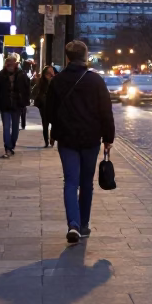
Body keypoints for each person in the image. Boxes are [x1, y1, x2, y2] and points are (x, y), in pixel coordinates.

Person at [48, 41, 115, 244]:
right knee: (86, 182)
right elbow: (106, 111)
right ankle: (83, 224)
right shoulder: (95, 81)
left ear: (67, 57)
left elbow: (49, 110)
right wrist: (108, 138)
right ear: (85, 57)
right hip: (90, 138)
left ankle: (73, 224)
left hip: (67, 139)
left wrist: (56, 129)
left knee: (70, 181)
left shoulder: (57, 81)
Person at [0, 53, 31, 157]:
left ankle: (11, 145)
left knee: (15, 128)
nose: (10, 65)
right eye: (8, 63)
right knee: (6, 128)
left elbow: (27, 89)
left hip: (17, 105)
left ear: (16, 64)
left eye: (12, 63)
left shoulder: (21, 74)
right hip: (5, 105)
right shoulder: (1, 75)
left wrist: (24, 102)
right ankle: (8, 147)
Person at [33, 65, 57, 147]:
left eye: (52, 70)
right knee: (45, 123)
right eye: (50, 70)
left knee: (54, 122)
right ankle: (46, 141)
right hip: (44, 104)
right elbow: (35, 91)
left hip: (53, 104)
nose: (52, 71)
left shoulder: (55, 80)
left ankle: (52, 138)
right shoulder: (41, 81)